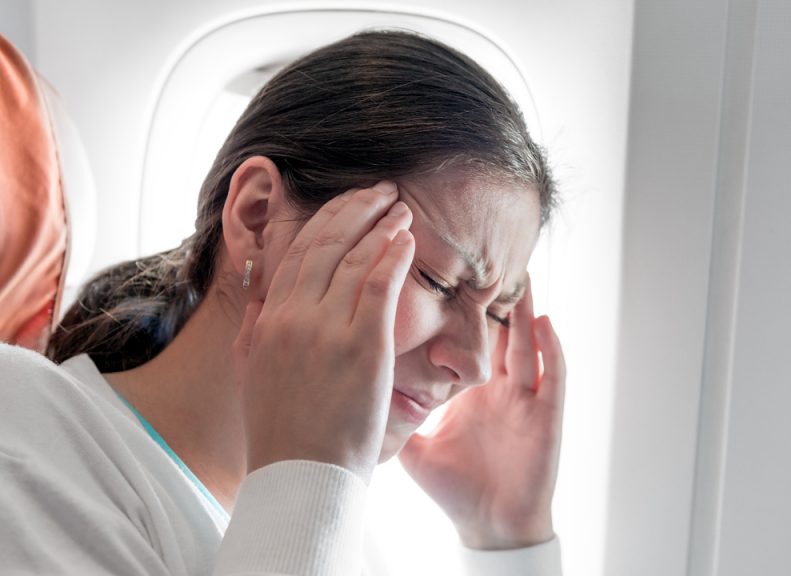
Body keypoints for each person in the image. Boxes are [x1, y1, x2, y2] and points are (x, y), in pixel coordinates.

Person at [0, 30, 565, 575]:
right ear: (257, 214)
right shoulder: (27, 428)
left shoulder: (356, 534)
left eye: (495, 312)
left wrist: (505, 536)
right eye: (437, 280)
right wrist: (309, 473)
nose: (474, 365)